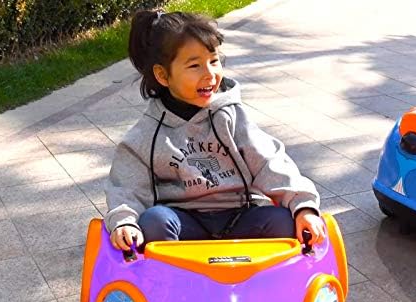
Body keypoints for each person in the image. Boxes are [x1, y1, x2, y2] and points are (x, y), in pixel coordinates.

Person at [105, 10, 325, 251]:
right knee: (153, 222)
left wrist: (303, 205)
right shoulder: (146, 135)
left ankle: (260, 275)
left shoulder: (232, 117)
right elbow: (126, 187)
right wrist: (125, 222)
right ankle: (179, 275)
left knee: (283, 221)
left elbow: (268, 162)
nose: (209, 74)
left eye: (213, 61)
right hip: (185, 223)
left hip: (240, 216)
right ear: (163, 75)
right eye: (194, 65)